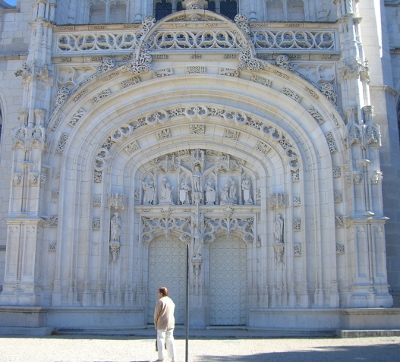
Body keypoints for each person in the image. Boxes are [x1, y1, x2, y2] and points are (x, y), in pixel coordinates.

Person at [154, 286, 176, 362]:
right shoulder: (171, 301)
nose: (157, 294)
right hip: (170, 323)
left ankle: (161, 358)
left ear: (161, 293)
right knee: (170, 340)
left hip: (162, 323)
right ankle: (173, 358)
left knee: (161, 340)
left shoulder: (160, 301)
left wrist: (156, 322)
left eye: (158, 292)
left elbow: (156, 314)